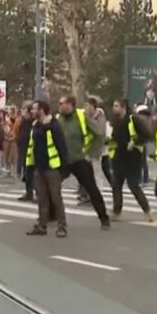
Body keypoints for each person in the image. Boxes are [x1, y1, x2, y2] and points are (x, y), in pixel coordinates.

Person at [56, 95, 111, 229]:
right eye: (60, 103)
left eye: (64, 103)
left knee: (91, 189)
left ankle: (104, 218)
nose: (61, 106)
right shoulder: (58, 119)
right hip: (63, 160)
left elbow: (99, 133)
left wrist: (91, 153)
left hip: (80, 159)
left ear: (71, 105)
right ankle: (52, 215)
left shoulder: (82, 115)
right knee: (53, 187)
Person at [26, 100, 69, 237]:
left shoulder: (54, 126)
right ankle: (42, 225)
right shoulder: (36, 125)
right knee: (42, 198)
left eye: (34, 109)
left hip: (52, 167)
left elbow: (62, 147)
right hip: (39, 167)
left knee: (56, 198)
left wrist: (63, 168)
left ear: (42, 110)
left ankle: (62, 226)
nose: (32, 111)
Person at [109, 99, 153, 222]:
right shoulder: (116, 122)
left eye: (116, 106)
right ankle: (117, 212)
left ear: (123, 107)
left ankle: (147, 211)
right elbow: (114, 139)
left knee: (133, 186)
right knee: (116, 185)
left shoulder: (134, 119)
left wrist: (134, 142)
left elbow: (147, 135)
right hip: (118, 158)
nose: (114, 108)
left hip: (133, 157)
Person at [16, 105, 35, 202]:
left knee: (33, 175)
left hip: (32, 152)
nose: (22, 112)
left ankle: (38, 194)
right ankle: (29, 193)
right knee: (27, 174)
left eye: (23, 110)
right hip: (24, 150)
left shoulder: (33, 123)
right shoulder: (23, 122)